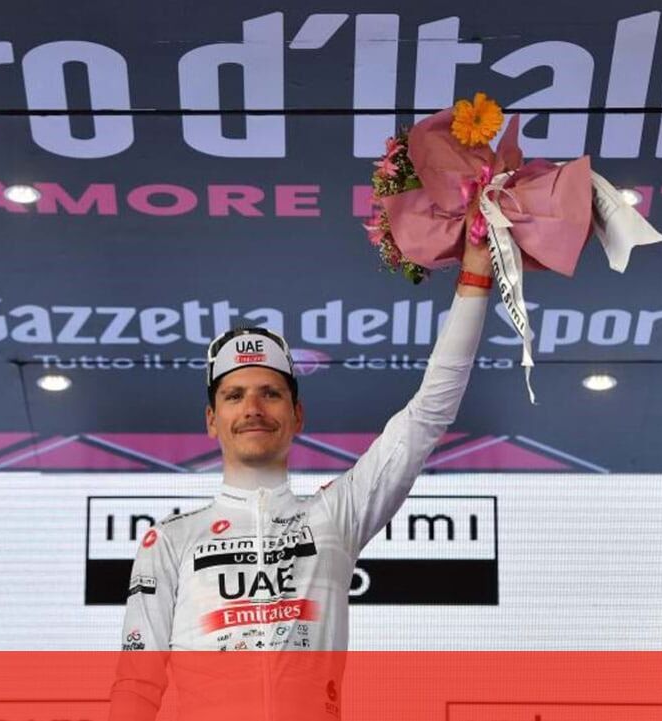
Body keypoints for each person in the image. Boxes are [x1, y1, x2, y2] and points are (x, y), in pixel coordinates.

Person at [110, 243, 495, 719]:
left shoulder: (334, 516)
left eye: (270, 394)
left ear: (297, 415)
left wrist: (476, 275)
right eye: (234, 395)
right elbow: (137, 685)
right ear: (211, 419)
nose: (253, 409)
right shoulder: (170, 541)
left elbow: (428, 414)